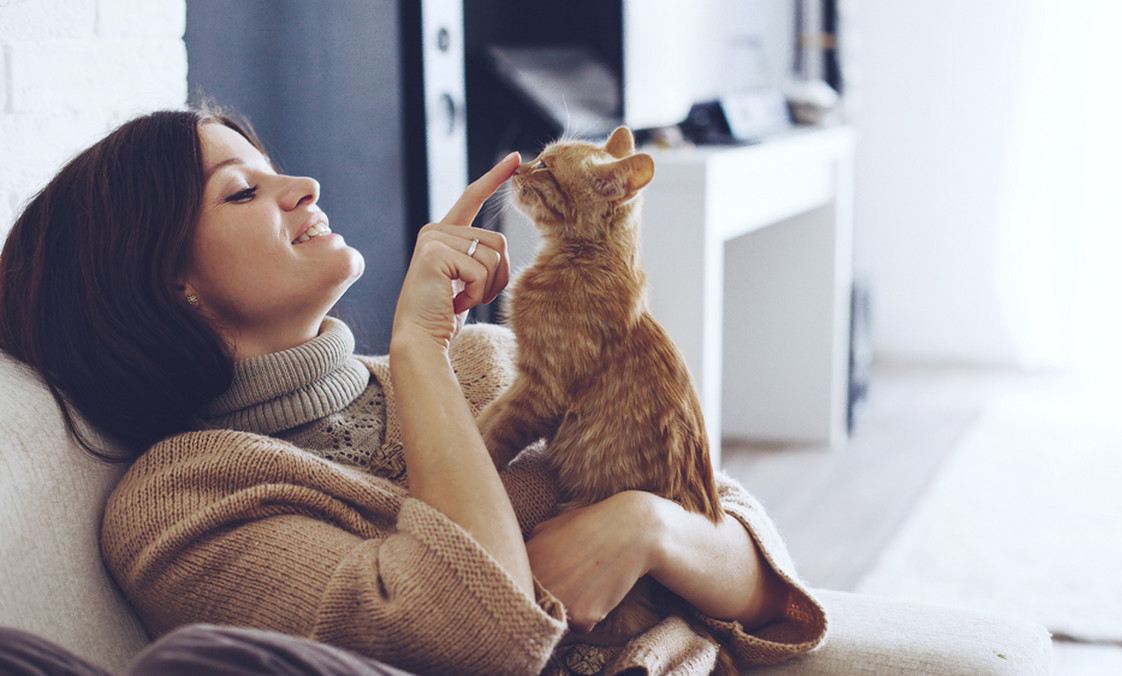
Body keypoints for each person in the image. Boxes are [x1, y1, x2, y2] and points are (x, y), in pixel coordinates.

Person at [0, 106, 826, 675]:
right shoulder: (183, 501)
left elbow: (759, 577)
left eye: (276, 169)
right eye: (243, 191)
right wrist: (418, 349)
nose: (304, 189)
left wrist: (645, 527)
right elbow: (479, 633)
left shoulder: (495, 366)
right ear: (168, 279)